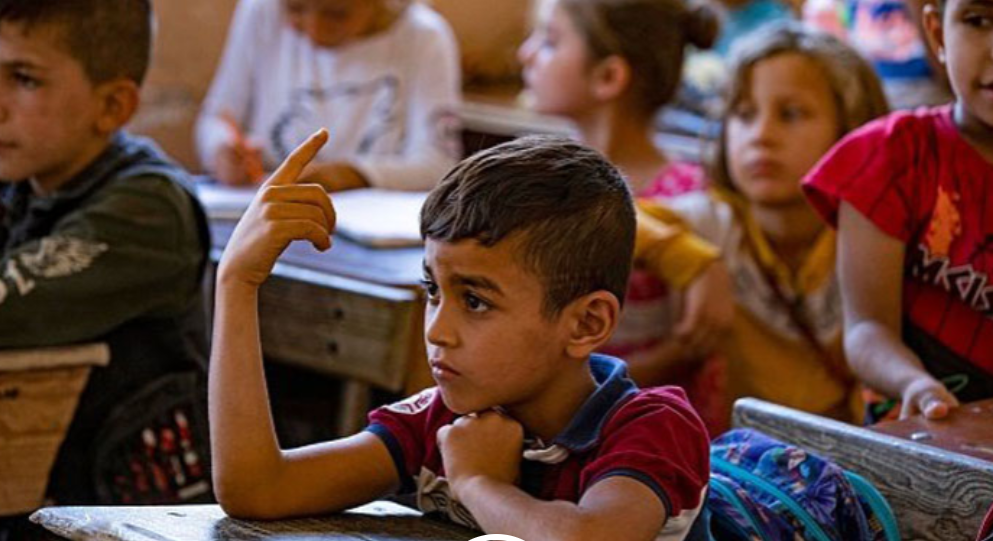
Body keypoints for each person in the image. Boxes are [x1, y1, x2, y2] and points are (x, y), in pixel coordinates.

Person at [210, 134, 711, 540]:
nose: (436, 329)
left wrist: (478, 482)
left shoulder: (651, 427)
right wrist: (236, 283)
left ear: (587, 324)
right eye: (433, 290)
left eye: (475, 301)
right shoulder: (442, 423)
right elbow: (260, 488)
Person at [0, 0, 210, 507]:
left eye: (24, 79)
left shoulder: (149, 210)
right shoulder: (22, 179)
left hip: (134, 518)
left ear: (113, 106)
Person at [518, 0, 734, 432]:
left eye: (551, 41)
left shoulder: (689, 202)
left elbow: (695, 352)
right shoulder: (534, 177)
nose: (526, 54)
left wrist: (561, 392)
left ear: (608, 77)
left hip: (640, 434)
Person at [656, 23, 889, 423]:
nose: (761, 135)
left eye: (791, 114)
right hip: (737, 456)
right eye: (744, 115)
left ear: (853, 127)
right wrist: (694, 260)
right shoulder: (714, 223)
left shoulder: (877, 235)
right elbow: (615, 219)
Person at [803, 0, 993, 421]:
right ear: (938, 33)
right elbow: (867, 329)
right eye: (977, 20)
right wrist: (914, 383)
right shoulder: (892, 159)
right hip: (922, 432)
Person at [196, 0, 462, 191]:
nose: (314, 29)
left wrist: (351, 175)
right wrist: (221, 150)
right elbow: (217, 116)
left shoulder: (423, 36)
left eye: (337, 14)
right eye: (295, 9)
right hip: (263, 207)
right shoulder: (263, 11)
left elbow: (437, 164)